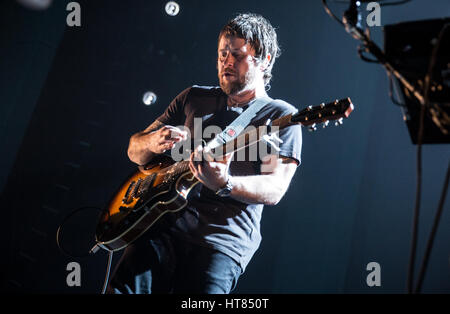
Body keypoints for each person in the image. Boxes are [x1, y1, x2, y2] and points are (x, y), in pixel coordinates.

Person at [107, 13, 302, 294]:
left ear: (265, 60)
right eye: (222, 54)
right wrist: (153, 142)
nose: (226, 62)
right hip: (158, 230)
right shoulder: (193, 98)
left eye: (237, 55)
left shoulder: (279, 117)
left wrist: (225, 183)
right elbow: (134, 151)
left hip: (220, 245)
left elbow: (274, 187)